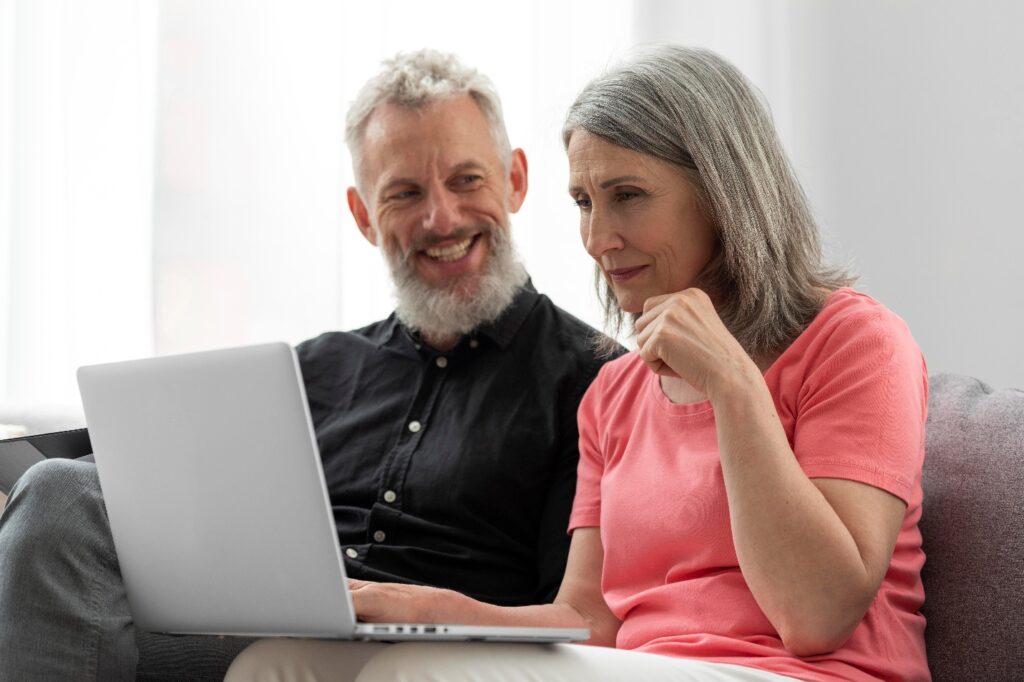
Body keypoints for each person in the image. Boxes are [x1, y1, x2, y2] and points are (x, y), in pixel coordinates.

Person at [226, 45, 930, 682]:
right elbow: (588, 620)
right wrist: (428, 608)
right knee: (278, 664)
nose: (597, 238)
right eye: (584, 203)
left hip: (802, 674)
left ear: (723, 194)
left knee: (414, 676)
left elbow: (816, 616)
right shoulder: (615, 390)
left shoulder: (855, 341)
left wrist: (733, 383)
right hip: (637, 668)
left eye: (628, 196)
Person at [0, 50, 618, 681]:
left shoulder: (598, 383)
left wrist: (430, 608)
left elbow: (579, 620)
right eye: (404, 193)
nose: (442, 218)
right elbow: (188, 513)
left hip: (427, 660)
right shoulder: (309, 370)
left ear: (515, 180)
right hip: (252, 637)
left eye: (466, 180)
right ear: (363, 215)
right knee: (57, 491)